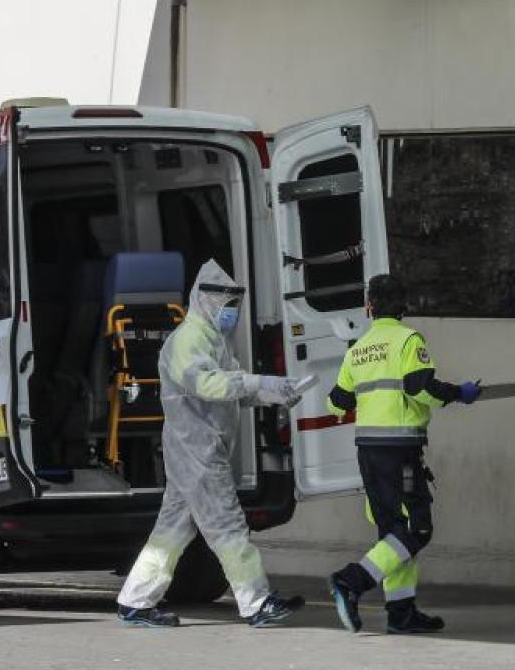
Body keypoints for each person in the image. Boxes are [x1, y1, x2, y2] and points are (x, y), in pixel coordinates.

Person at [116, 260, 305, 628]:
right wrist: (257, 382)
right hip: (197, 450)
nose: (231, 312)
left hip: (198, 449)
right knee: (228, 524)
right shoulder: (188, 340)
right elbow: (209, 386)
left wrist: (274, 392)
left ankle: (135, 601)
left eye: (234, 305)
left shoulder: (213, 339)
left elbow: (232, 390)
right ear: (205, 301)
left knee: (171, 530)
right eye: (227, 305)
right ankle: (256, 601)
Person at [324, 274, 486, 634]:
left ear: (369, 307)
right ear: (403, 305)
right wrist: (459, 392)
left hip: (368, 451)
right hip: (399, 450)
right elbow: (419, 388)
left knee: (392, 532)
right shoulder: (408, 340)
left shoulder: (358, 348)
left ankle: (401, 613)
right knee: (417, 527)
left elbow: (337, 402)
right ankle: (351, 581)